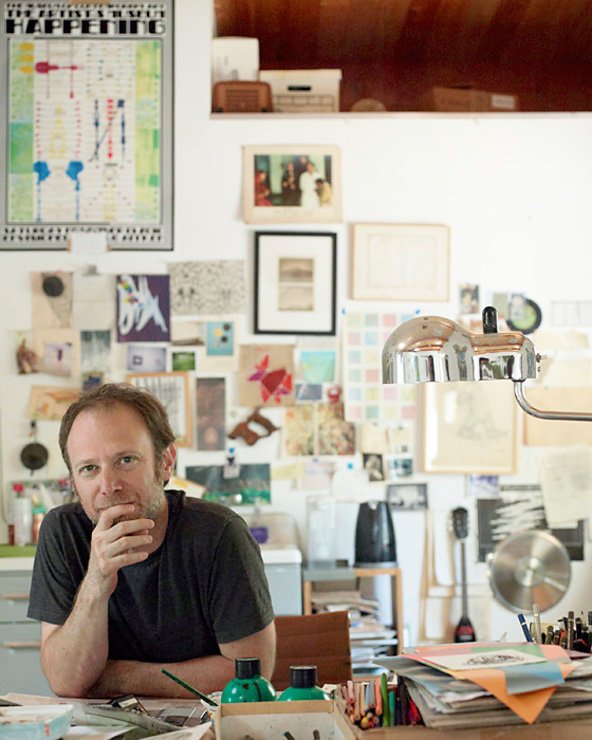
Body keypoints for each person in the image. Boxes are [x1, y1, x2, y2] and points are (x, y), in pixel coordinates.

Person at [27, 383, 275, 699]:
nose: (108, 486)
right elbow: (66, 681)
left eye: (126, 460)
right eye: (89, 468)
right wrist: (97, 582)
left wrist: (120, 677)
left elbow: (251, 674)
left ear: (166, 461)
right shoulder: (62, 531)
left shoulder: (219, 534)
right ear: (74, 482)